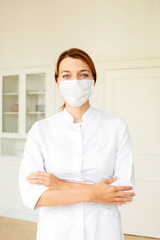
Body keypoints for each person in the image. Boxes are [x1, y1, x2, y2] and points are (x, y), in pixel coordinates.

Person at [19, 47, 135, 240]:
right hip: (56, 231)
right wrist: (95, 192)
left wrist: (60, 185)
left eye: (83, 74)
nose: (75, 81)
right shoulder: (40, 131)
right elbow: (33, 195)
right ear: (57, 82)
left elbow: (124, 192)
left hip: (103, 230)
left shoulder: (116, 126)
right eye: (66, 75)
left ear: (93, 80)